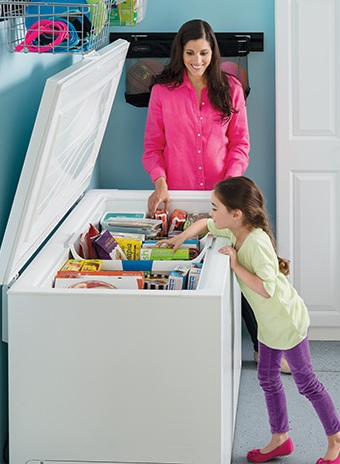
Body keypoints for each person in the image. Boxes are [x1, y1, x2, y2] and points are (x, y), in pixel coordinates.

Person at [156, 176, 340, 464]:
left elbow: (267, 288)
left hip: (286, 322)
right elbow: (204, 223)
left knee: (307, 384)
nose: (211, 212)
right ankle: (280, 438)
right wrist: (180, 239)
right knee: (267, 377)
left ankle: (336, 441)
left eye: (216, 207)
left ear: (236, 213)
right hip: (269, 325)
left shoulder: (255, 242)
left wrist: (235, 264)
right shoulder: (235, 230)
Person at [142, 18, 290, 373]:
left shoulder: (230, 89)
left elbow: (240, 144)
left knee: (247, 269)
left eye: (204, 53)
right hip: (182, 199)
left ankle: (263, 349)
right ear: (180, 52)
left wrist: (227, 189)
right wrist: (160, 182)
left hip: (227, 201)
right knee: (188, 267)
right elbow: (152, 147)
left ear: (213, 52)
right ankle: (189, 354)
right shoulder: (162, 92)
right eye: (190, 53)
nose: (197, 60)